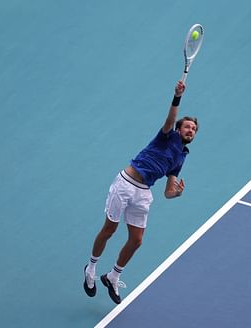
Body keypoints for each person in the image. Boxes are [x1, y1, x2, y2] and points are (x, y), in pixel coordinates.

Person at [83, 80, 198, 304]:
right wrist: (177, 96)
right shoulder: (166, 136)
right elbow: (170, 119)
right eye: (187, 126)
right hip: (126, 183)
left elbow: (167, 191)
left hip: (144, 192)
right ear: (178, 129)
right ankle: (91, 268)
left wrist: (177, 194)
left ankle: (113, 276)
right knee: (109, 229)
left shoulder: (181, 156)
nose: (190, 130)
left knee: (136, 241)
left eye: (193, 129)